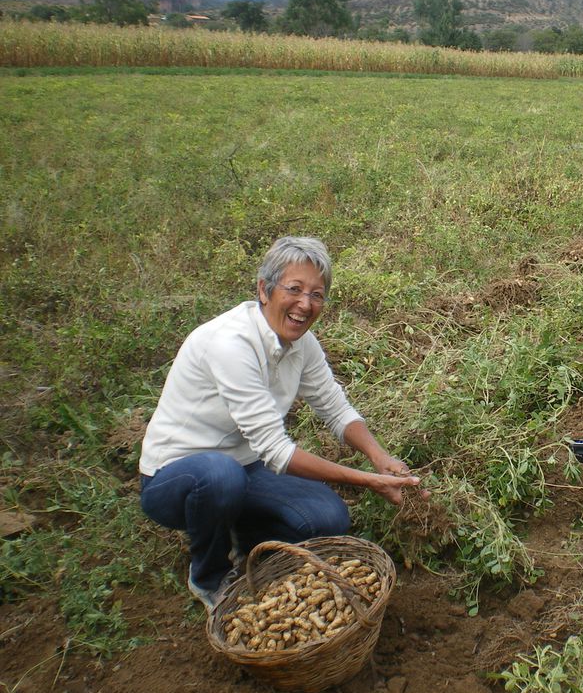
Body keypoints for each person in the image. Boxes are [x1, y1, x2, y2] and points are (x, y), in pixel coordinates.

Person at [139, 236, 423, 611]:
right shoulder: (230, 344)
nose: (305, 304)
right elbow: (276, 451)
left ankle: (239, 537)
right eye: (294, 289)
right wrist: (367, 481)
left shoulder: (302, 345)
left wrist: (378, 456)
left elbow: (336, 408)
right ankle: (208, 577)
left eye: (317, 294)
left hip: (244, 468)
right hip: (176, 477)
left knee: (328, 519)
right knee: (220, 476)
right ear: (263, 289)